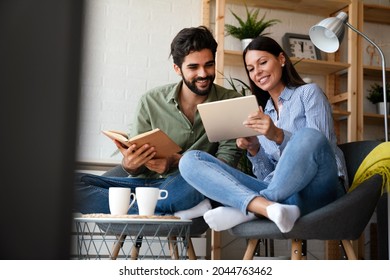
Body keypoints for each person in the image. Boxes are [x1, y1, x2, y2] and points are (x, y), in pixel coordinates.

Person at [179, 36, 348, 233]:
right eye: (250, 69)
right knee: (190, 160)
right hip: (286, 198)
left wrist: (277, 135)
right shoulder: (262, 113)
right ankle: (266, 208)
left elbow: (320, 148)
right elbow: (267, 175)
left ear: (281, 59)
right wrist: (254, 149)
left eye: (263, 62)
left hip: (321, 189)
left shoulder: (308, 93)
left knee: (309, 135)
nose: (257, 72)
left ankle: (249, 209)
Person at [73, 26, 242, 218]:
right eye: (193, 67)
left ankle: (136, 209)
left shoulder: (230, 101)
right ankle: (158, 210)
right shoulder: (151, 101)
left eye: (209, 65)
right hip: (145, 186)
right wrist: (130, 164)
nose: (203, 73)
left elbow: (224, 167)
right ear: (177, 69)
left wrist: (176, 162)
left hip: (186, 185)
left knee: (206, 183)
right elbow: (134, 169)